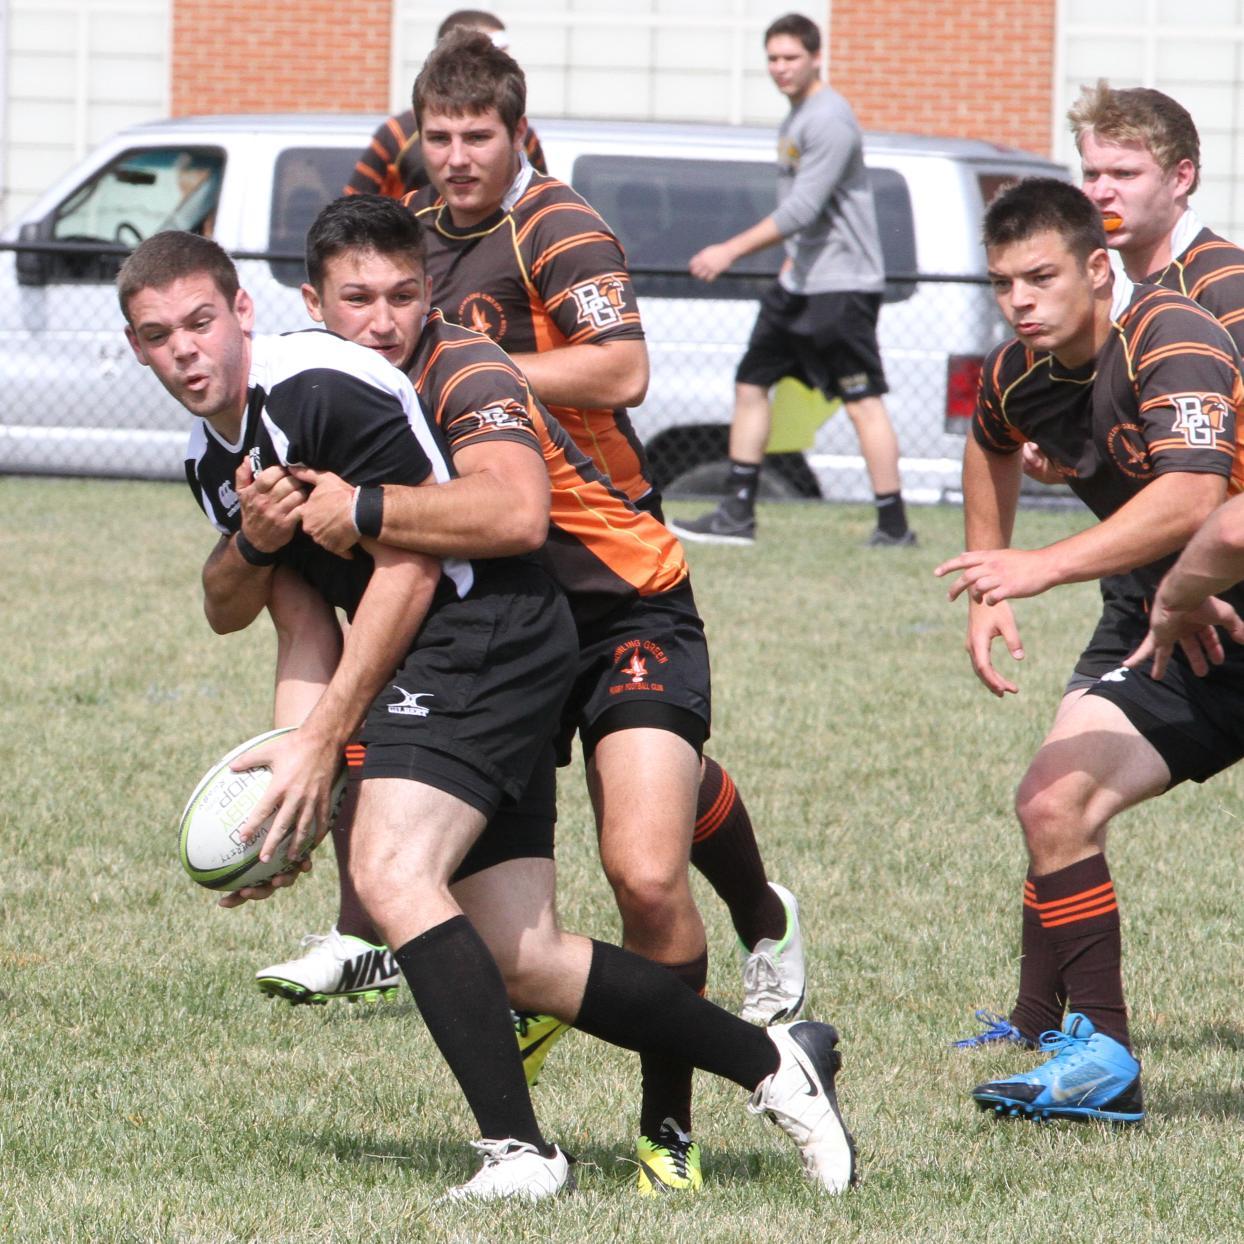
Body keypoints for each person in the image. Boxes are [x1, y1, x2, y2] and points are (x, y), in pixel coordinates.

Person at [120, 229, 858, 1199]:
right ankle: (776, 1064)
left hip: (486, 623)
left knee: (393, 865)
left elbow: (415, 560)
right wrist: (292, 781)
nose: (183, 347)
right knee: (523, 956)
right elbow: (291, 622)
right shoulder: (211, 455)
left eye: (200, 321)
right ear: (135, 346)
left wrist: (325, 742)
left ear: (244, 311)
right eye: (156, 332)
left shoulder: (315, 388)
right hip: (452, 644)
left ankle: (518, 1150)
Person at [389, 30, 807, 1186]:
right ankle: (562, 986)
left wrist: (467, 370)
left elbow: (619, 370)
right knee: (480, 896)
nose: (459, 155)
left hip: (621, 593)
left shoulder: (554, 224)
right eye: (441, 135)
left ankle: (666, 1121)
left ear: (518, 137)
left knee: (643, 872)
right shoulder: (416, 238)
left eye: (480, 136)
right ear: (416, 137)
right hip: (506, 613)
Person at [934, 178, 1244, 1123]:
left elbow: (1201, 506)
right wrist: (990, 580)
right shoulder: (1019, 371)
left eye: (1040, 277)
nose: (1020, 300)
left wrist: (1042, 568)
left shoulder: (1171, 333)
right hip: (1186, 619)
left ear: (1096, 269)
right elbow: (989, 439)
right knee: (1054, 799)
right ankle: (1094, 1055)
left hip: (1206, 593)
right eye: (1003, 283)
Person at [671, 12, 912, 549]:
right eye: (773, 59)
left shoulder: (828, 118)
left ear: (816, 56)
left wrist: (728, 249)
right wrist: (791, 262)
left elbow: (803, 208)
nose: (780, 68)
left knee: (861, 400)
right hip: (800, 282)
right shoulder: (798, 116)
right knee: (751, 381)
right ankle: (736, 513)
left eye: (790, 58)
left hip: (842, 285)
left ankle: (893, 527)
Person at [1019, 83, 1244, 492]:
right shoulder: (1109, 290)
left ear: (1181, 177)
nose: (1100, 193)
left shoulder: (1227, 286)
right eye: (1091, 173)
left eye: (1124, 174)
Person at [343, 9, 545, 200]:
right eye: (439, 138)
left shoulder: (522, 134)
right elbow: (353, 211)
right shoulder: (398, 133)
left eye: (479, 137)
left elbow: (540, 200)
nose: (457, 160)